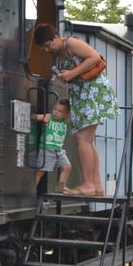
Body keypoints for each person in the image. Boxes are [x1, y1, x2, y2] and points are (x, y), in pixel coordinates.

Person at [32, 24, 112, 195]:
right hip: (85, 93)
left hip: (92, 92)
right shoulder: (62, 51)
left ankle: (88, 185)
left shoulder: (70, 43)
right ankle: (96, 186)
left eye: (47, 45)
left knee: (82, 138)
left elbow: (95, 57)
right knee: (88, 140)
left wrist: (72, 73)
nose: (47, 50)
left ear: (55, 37)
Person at [31, 97, 71, 189]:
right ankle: (31, 190)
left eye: (60, 111)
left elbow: (75, 116)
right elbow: (35, 117)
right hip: (47, 149)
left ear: (66, 114)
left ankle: (60, 187)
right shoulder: (49, 117)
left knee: (67, 167)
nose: (56, 112)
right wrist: (35, 117)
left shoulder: (65, 121)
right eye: (55, 109)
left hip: (59, 151)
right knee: (41, 171)